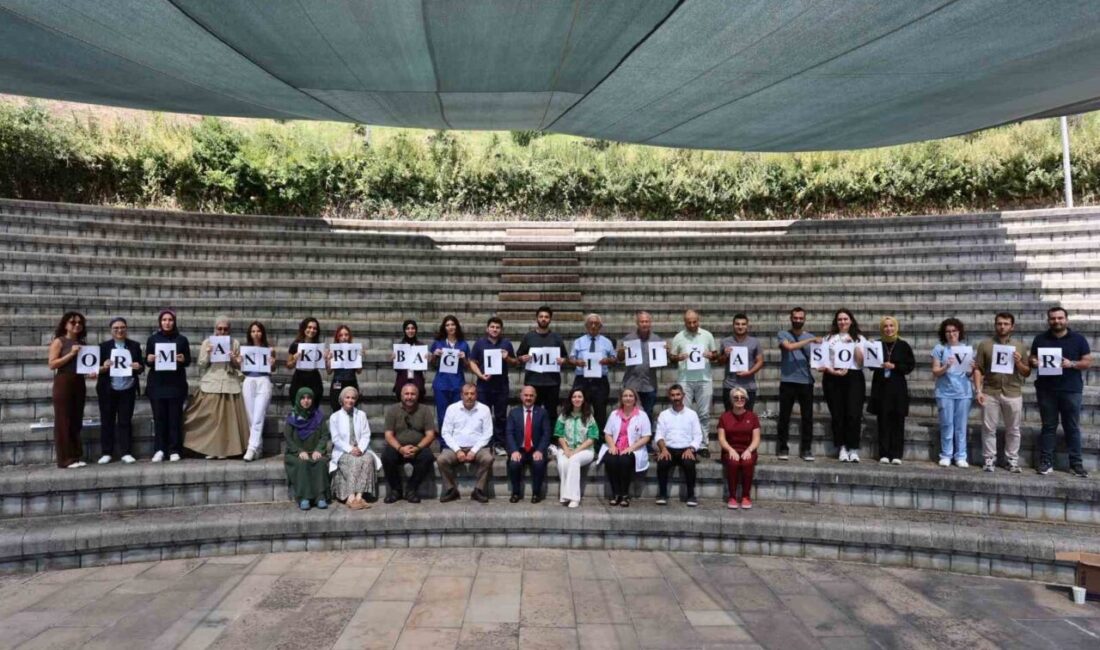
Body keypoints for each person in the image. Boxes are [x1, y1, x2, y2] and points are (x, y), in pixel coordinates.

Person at [1029, 307, 1092, 477]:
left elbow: (1087, 362)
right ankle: (1046, 462)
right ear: (1048, 320)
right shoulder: (1040, 338)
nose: (1056, 321)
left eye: (1060, 318)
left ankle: (1076, 464)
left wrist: (1071, 364)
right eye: (1053, 318)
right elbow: (1032, 357)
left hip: (1071, 389)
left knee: (1072, 427)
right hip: (1046, 389)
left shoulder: (1078, 339)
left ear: (1066, 319)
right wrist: (1034, 361)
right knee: (1048, 427)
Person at [184, 316, 249, 459]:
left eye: (225, 329)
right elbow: (201, 365)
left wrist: (234, 359)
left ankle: (225, 451)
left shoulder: (235, 343)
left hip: (229, 382)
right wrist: (207, 353)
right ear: (215, 329)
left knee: (227, 422)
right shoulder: (207, 342)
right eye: (219, 329)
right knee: (211, 420)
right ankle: (210, 450)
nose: (222, 331)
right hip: (211, 382)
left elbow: (239, 364)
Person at [973, 312, 1031, 473]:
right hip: (990, 391)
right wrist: (978, 390)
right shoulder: (985, 345)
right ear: (995, 325)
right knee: (988, 428)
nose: (1002, 326)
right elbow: (978, 369)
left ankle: (1012, 459)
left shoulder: (1020, 346)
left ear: (1012, 326)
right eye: (999, 323)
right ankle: (989, 459)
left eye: (1006, 323)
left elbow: (1026, 372)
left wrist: (1018, 362)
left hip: (1013, 392)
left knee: (1013, 428)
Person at [669, 310, 719, 457]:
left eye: (694, 321)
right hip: (685, 380)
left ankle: (703, 444)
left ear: (699, 320)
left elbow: (715, 355)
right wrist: (678, 357)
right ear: (684, 322)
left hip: (704, 379)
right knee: (685, 413)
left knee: (704, 413)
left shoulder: (707, 335)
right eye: (689, 322)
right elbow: (671, 357)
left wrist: (711, 355)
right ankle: (688, 444)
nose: (692, 324)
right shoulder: (679, 337)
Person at [819, 308, 866, 463]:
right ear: (836, 322)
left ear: (851, 320)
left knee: (854, 414)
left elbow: (861, 362)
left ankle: (853, 448)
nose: (843, 322)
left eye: (845, 319)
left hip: (854, 377)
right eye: (840, 319)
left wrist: (853, 345)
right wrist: (833, 372)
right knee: (837, 414)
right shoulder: (828, 338)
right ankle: (842, 447)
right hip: (833, 377)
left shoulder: (859, 338)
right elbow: (823, 362)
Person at [866, 316, 915, 465]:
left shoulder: (903, 345)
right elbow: (870, 364)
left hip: (898, 387)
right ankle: (884, 453)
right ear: (882, 329)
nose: (889, 329)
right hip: (881, 387)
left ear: (896, 327)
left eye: (891, 326)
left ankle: (896, 454)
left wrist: (895, 366)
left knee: (898, 421)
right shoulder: (876, 344)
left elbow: (910, 365)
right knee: (883, 421)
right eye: (885, 326)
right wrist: (879, 365)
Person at [95, 316, 144, 464]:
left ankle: (126, 452)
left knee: (125, 421)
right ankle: (107, 452)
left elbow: (141, 367)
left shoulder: (134, 346)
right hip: (108, 389)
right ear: (111, 330)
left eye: (122, 327)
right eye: (116, 328)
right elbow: (95, 369)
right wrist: (104, 367)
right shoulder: (103, 347)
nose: (119, 330)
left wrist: (138, 367)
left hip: (127, 388)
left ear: (126, 329)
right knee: (107, 420)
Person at [145, 309, 191, 463]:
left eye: (170, 319)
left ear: (174, 321)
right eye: (164, 320)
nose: (167, 322)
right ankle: (159, 449)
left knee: (174, 418)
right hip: (157, 384)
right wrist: (149, 359)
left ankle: (174, 449)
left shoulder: (182, 339)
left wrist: (183, 359)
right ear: (160, 322)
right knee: (159, 419)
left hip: (175, 384)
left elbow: (188, 361)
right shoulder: (152, 339)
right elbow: (147, 360)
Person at [437, 383, 494, 503]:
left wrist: (474, 450)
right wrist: (457, 450)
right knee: (441, 459)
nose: (469, 397)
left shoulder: (484, 409)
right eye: (466, 394)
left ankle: (478, 490)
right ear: (461, 395)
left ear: (476, 395)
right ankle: (451, 490)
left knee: (488, 458)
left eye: (472, 394)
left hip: (478, 447)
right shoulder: (452, 409)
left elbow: (488, 433)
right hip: (455, 447)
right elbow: (446, 432)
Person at [776, 307, 820, 461]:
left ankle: (806, 449)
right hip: (787, 380)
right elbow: (788, 347)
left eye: (801, 318)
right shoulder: (783, 334)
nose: (798, 320)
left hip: (806, 381)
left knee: (807, 417)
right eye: (796, 317)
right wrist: (810, 340)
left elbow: (818, 359)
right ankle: (783, 447)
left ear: (804, 319)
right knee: (784, 416)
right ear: (791, 318)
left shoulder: (811, 337)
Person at [381, 384, 437, 503]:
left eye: (413, 394)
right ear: (401, 395)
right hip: (398, 447)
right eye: (406, 394)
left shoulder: (425, 410)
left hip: (418, 447)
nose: (409, 397)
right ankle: (396, 490)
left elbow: (430, 434)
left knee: (427, 457)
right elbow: (388, 435)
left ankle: (411, 490)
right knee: (387, 456)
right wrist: (400, 448)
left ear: (417, 396)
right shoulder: (393, 410)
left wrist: (417, 448)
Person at [469, 316, 517, 456]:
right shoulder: (479, 343)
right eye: (492, 327)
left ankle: (499, 444)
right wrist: (480, 375)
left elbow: (514, 362)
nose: (495, 329)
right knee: (484, 415)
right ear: (487, 328)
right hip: (484, 386)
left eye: (497, 327)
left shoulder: (506, 344)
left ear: (501, 330)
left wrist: (507, 358)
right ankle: (485, 443)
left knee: (501, 416)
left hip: (501, 385)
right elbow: (472, 362)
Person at [516, 305, 569, 430]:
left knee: (551, 413)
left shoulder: (557, 338)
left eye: (546, 317)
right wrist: (522, 358)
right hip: (533, 382)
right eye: (541, 317)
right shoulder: (528, 337)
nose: (543, 319)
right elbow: (519, 355)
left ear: (550, 319)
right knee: (533, 412)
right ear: (537, 319)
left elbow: (566, 357)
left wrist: (563, 360)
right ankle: (533, 439)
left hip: (552, 382)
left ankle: (551, 441)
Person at [48, 311, 89, 468]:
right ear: (65, 325)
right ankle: (65, 459)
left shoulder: (83, 344)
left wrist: (95, 370)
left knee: (76, 419)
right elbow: (52, 364)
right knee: (63, 419)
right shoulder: (59, 341)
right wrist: (71, 354)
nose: (77, 325)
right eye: (73, 322)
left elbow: (86, 365)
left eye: (79, 322)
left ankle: (75, 455)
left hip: (79, 381)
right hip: (63, 380)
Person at [931, 317, 973, 468]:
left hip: (963, 392)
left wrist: (972, 369)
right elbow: (935, 372)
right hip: (944, 392)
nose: (951, 334)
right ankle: (946, 454)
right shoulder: (939, 349)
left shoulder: (967, 349)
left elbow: (969, 374)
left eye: (954, 331)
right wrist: (945, 367)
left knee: (961, 426)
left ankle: (961, 455)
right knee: (947, 424)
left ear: (959, 332)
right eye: (948, 331)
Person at [599, 388, 651, 507]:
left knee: (624, 461)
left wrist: (630, 448)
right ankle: (615, 493)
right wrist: (612, 446)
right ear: (621, 399)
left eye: (631, 396)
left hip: (633, 448)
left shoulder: (642, 415)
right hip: (616, 446)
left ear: (635, 399)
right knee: (610, 460)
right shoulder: (614, 414)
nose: (628, 398)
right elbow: (607, 433)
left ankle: (624, 494)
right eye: (625, 396)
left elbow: (646, 436)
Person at [329, 386, 379, 510]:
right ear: (342, 399)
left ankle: (359, 497)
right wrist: (350, 449)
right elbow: (336, 439)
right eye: (347, 397)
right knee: (353, 461)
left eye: (353, 398)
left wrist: (360, 449)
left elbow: (366, 434)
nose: (350, 400)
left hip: (360, 448)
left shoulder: (361, 415)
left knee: (368, 459)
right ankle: (350, 497)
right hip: (343, 450)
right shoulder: (334, 417)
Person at [655, 384, 704, 507]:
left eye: (678, 394)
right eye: (673, 395)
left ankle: (691, 495)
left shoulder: (692, 414)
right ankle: (662, 494)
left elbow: (698, 435)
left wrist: (691, 448)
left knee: (689, 463)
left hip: (686, 448)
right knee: (662, 462)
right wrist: (663, 449)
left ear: (683, 395)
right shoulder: (664, 414)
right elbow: (659, 435)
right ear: (669, 397)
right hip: (669, 449)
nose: (676, 397)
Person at [550, 388, 599, 508]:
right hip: (566, 447)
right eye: (574, 397)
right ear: (570, 399)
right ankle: (564, 496)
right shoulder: (564, 415)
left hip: (585, 450)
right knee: (562, 463)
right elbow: (559, 434)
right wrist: (566, 449)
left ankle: (574, 497)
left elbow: (592, 438)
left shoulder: (589, 416)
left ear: (583, 399)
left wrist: (575, 451)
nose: (577, 399)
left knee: (574, 460)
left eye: (579, 397)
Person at [503, 385, 551, 503]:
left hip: (536, 449)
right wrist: (514, 450)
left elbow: (546, 433)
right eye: (526, 395)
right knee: (514, 464)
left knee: (539, 463)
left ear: (535, 397)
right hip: (520, 449)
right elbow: (509, 433)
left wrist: (540, 450)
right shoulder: (514, 413)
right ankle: (515, 492)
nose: (528, 398)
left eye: (531, 395)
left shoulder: (542, 412)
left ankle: (536, 493)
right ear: (521, 396)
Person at [284, 387, 329, 511]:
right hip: (296, 453)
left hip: (314, 451)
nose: (306, 401)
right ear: (298, 399)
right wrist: (299, 451)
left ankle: (320, 497)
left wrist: (319, 450)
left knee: (320, 463)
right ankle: (304, 498)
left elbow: (324, 435)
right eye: (303, 398)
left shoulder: (318, 416)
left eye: (309, 398)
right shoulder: (292, 417)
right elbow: (288, 437)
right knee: (302, 464)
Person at [569, 313, 617, 427]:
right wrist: (576, 362)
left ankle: (599, 440)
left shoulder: (607, 342)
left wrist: (608, 360)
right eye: (591, 323)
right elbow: (571, 358)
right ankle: (581, 437)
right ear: (586, 326)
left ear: (600, 326)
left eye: (596, 324)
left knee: (600, 410)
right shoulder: (578, 341)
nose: (593, 326)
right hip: (582, 380)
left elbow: (615, 359)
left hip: (600, 381)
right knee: (580, 409)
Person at [718, 388, 761, 510]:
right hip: (730, 449)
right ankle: (732, 496)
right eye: (736, 397)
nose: (739, 400)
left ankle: (746, 496)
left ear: (746, 400)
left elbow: (756, 439)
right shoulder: (724, 417)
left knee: (747, 463)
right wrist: (731, 450)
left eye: (742, 397)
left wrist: (749, 450)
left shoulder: (752, 416)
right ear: (731, 400)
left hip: (748, 449)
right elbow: (721, 439)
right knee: (733, 462)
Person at [617, 310, 664, 423]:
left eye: (647, 321)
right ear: (637, 323)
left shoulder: (657, 340)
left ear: (650, 323)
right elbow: (619, 358)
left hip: (650, 384)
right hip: (632, 383)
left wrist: (666, 352)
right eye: (642, 321)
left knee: (647, 413)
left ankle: (646, 439)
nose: (644, 324)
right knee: (631, 413)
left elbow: (662, 361)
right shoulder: (628, 339)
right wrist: (621, 352)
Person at [240, 320, 276, 462]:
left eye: (258, 331)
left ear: (262, 333)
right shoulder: (246, 349)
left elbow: (272, 370)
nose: (256, 333)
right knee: (251, 417)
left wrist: (272, 363)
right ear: (250, 333)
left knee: (258, 416)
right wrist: (238, 360)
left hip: (263, 381)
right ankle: (259, 448)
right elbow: (241, 367)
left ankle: (251, 447)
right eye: (253, 331)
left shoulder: (269, 349)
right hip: (249, 380)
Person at [429, 315, 471, 431]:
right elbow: (432, 364)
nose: (450, 327)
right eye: (447, 325)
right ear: (444, 327)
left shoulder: (463, 344)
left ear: (457, 326)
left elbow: (468, 366)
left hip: (457, 384)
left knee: (457, 415)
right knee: (442, 415)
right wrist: (434, 355)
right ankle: (444, 443)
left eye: (453, 324)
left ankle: (456, 441)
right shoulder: (438, 343)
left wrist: (464, 358)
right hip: (442, 384)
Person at [717, 314, 764, 412]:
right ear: (733, 325)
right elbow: (720, 362)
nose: (740, 326)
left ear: (747, 326)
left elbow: (760, 361)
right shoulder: (725, 341)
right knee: (729, 418)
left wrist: (749, 372)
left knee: (747, 418)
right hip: (730, 386)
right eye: (737, 324)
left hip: (749, 386)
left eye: (743, 324)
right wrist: (725, 355)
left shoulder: (754, 342)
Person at [286, 317, 324, 410]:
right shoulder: (295, 345)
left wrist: (326, 358)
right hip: (299, 377)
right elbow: (288, 365)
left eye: (314, 328)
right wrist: (294, 360)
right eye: (309, 327)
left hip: (314, 378)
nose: (312, 330)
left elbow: (322, 364)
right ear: (304, 328)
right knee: (297, 404)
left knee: (314, 405)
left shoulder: (319, 345)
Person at [325, 324, 362, 413]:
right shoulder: (334, 350)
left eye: (346, 335)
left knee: (352, 409)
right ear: (337, 337)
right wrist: (328, 359)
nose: (344, 337)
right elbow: (329, 371)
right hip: (337, 382)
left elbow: (359, 371)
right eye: (341, 335)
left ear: (349, 336)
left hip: (351, 381)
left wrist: (359, 357)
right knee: (336, 406)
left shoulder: (354, 349)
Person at [392, 319, 426, 399]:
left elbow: (424, 367)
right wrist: (393, 360)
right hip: (402, 379)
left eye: (413, 328)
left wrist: (427, 358)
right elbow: (397, 369)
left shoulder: (421, 346)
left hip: (417, 379)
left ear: (416, 330)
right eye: (407, 328)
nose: (410, 330)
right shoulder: (399, 346)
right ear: (404, 330)